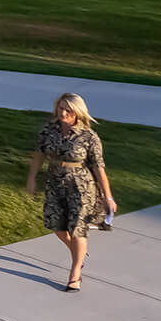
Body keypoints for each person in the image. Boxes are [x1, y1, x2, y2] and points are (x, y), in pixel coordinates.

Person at [25, 92, 117, 291]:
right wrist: (32, 177)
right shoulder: (50, 130)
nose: (63, 112)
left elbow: (99, 168)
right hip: (56, 183)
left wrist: (108, 196)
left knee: (77, 229)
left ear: (77, 112)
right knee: (57, 226)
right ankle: (79, 253)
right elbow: (39, 154)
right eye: (60, 107)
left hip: (81, 187)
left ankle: (75, 273)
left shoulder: (89, 136)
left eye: (68, 109)